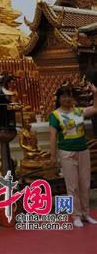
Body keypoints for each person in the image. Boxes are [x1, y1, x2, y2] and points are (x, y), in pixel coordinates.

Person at [49, 82, 97, 228]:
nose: (67, 99)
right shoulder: (55, 115)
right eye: (63, 96)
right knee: (72, 186)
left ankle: (86, 214)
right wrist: (53, 156)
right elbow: (52, 136)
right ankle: (76, 215)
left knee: (85, 184)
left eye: (69, 95)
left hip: (83, 151)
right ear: (59, 99)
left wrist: (95, 93)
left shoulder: (78, 111)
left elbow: (95, 108)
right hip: (67, 153)